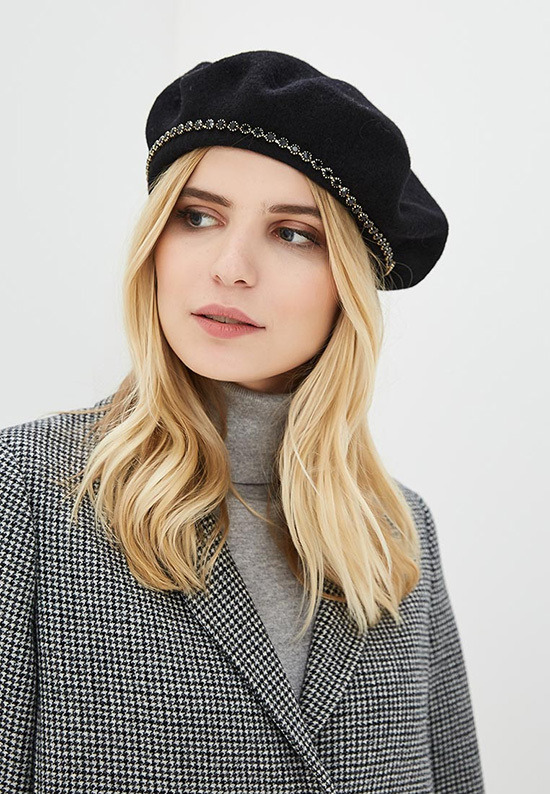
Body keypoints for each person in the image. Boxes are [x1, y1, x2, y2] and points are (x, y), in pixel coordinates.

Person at [0, 50, 485, 793]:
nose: (230, 266)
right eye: (198, 217)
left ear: (348, 288)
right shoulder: (28, 493)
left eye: (293, 233)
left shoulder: (397, 532)